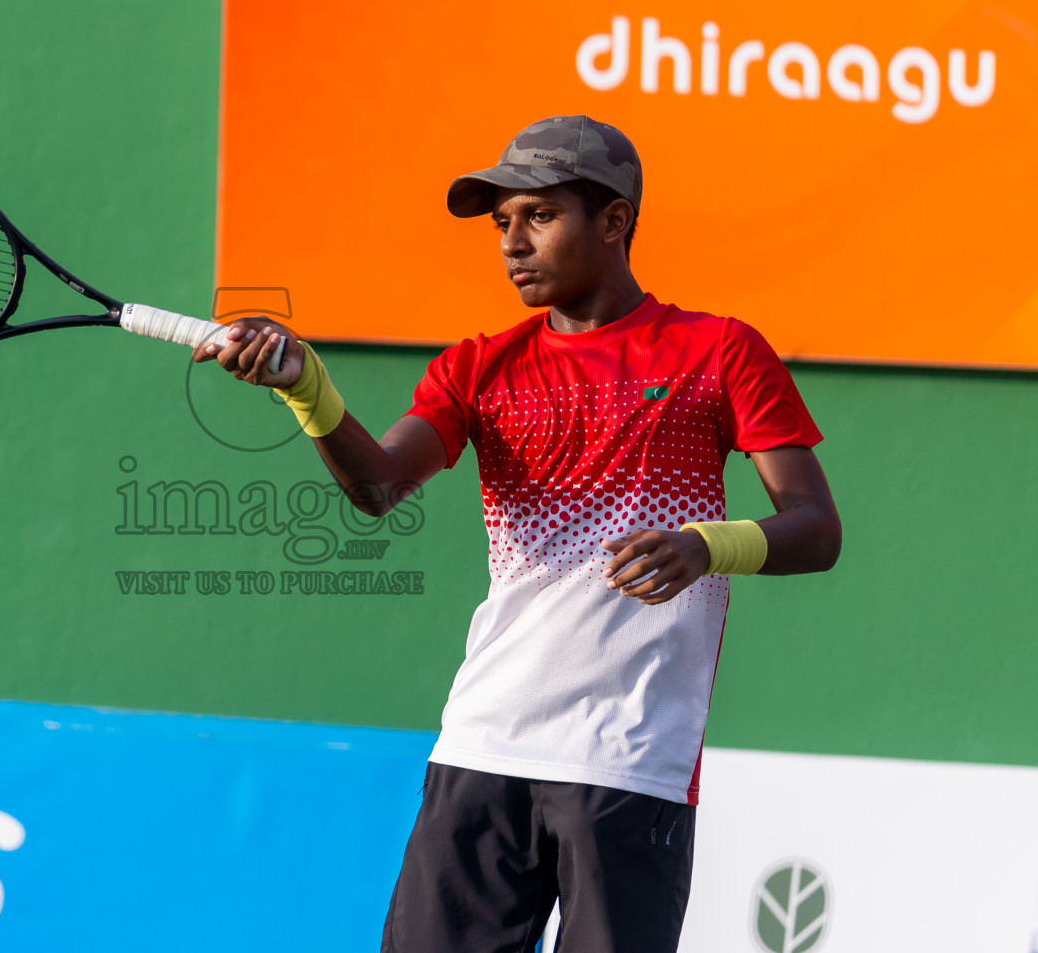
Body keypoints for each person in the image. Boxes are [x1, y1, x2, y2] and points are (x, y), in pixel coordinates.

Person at [193, 115, 841, 952]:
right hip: (484, 745)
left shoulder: (717, 353)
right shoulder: (477, 366)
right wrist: (305, 385)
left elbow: (814, 528)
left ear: (614, 222)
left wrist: (707, 544)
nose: (512, 243)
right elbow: (379, 485)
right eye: (502, 223)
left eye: (539, 215)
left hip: (629, 763)